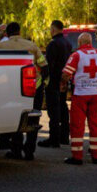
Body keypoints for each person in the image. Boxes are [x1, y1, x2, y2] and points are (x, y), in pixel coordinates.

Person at [0, 22, 46, 160]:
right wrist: (42, 83)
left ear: (7, 34)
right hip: (34, 87)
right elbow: (44, 65)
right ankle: (29, 151)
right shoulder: (31, 45)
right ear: (19, 31)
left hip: (12, 88)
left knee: (16, 117)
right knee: (33, 118)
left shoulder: (0, 46)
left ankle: (16, 150)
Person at [61, 32, 97, 165]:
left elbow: (66, 74)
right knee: (95, 124)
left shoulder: (77, 55)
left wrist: (63, 85)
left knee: (77, 125)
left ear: (80, 43)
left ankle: (77, 156)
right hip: (96, 94)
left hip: (80, 94)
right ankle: (96, 156)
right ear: (91, 43)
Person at [38, 20, 71, 148]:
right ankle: (64, 137)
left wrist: (45, 80)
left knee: (53, 111)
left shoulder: (53, 44)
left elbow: (49, 64)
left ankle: (54, 139)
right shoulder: (67, 43)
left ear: (53, 29)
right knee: (63, 108)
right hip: (63, 81)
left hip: (53, 81)